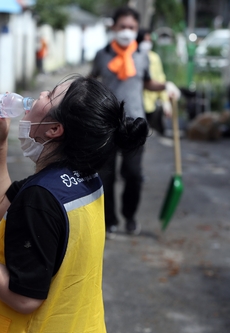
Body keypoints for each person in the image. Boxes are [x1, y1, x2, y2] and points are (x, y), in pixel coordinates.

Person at [0, 75, 148, 332]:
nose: (40, 94)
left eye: (50, 95)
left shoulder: (41, 198)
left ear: (53, 130)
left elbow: (25, 298)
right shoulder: (83, 178)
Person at [89, 6, 179, 236]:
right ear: (114, 27)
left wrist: (165, 86)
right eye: (123, 27)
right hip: (107, 123)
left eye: (132, 27)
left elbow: (148, 82)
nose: (127, 31)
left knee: (134, 175)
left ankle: (130, 217)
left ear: (137, 29)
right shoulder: (102, 55)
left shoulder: (142, 55)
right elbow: (91, 81)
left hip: (135, 123)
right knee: (106, 176)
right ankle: (109, 221)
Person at [138, 29, 172, 135]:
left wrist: (165, 100)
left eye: (149, 41)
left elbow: (159, 79)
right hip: (134, 105)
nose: (147, 43)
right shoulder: (132, 57)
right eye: (145, 40)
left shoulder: (154, 58)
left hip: (149, 104)